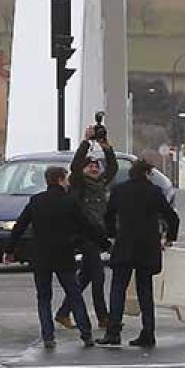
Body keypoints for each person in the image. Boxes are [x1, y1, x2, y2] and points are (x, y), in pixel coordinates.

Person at [6, 166, 111, 349]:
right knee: (74, 294)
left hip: (41, 255)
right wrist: (105, 244)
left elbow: (20, 226)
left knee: (44, 297)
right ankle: (86, 334)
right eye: (66, 179)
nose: (68, 182)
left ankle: (48, 336)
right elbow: (87, 225)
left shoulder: (36, 201)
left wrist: (9, 249)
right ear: (60, 180)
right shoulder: (69, 202)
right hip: (64, 253)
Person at [99, 160, 179, 348]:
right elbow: (172, 217)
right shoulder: (154, 192)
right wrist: (169, 237)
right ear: (147, 173)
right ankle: (148, 332)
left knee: (118, 289)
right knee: (145, 291)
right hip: (148, 247)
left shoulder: (120, 190)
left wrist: (111, 234)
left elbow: (108, 215)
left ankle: (113, 332)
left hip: (124, 244)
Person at [55, 125, 118, 330]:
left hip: (97, 236)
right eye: (89, 166)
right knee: (97, 276)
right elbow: (74, 166)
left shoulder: (101, 183)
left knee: (86, 277)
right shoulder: (78, 183)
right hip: (84, 235)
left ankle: (63, 313)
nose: (93, 168)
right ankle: (103, 317)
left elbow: (113, 169)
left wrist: (106, 147)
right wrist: (85, 142)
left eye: (95, 166)